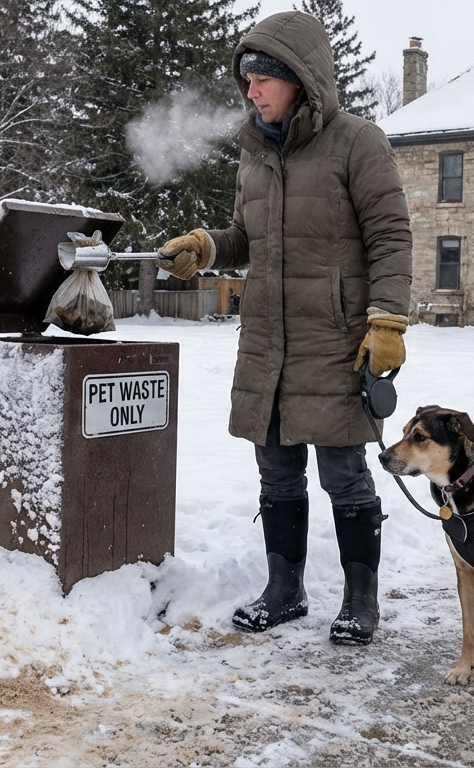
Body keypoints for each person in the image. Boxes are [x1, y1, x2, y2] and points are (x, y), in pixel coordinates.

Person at [156, 10, 412, 645]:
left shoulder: (358, 142)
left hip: (333, 340)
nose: (250, 92)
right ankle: (284, 588)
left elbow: (390, 235)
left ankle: (361, 600)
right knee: (275, 471)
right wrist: (207, 246)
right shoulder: (253, 155)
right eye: (246, 82)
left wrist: (387, 319)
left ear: (297, 79)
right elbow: (248, 237)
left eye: (260, 80)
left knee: (344, 473)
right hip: (267, 340)